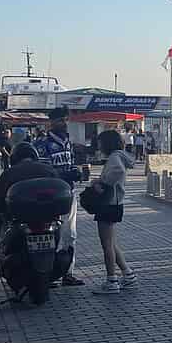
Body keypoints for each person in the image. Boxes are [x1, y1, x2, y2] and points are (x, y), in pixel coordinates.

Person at [34, 108, 84, 286]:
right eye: (60, 120)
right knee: (51, 234)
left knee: (70, 234)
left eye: (65, 120)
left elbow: (69, 163)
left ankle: (67, 272)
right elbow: (44, 171)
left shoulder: (67, 142)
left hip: (68, 193)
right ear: (51, 123)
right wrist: (64, 175)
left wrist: (75, 173)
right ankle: (49, 273)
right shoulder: (42, 144)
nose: (64, 123)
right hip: (51, 196)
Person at [88, 129, 138, 294]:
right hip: (114, 204)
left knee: (106, 245)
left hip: (108, 204)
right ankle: (128, 274)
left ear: (107, 143)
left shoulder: (114, 158)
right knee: (111, 243)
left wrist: (102, 183)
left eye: (101, 142)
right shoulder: (118, 156)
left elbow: (118, 172)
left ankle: (112, 281)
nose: (99, 145)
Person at [0, 143, 56, 246]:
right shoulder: (49, 170)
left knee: (0, 218)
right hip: (46, 218)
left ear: (14, 158)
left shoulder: (8, 174)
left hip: (19, 220)